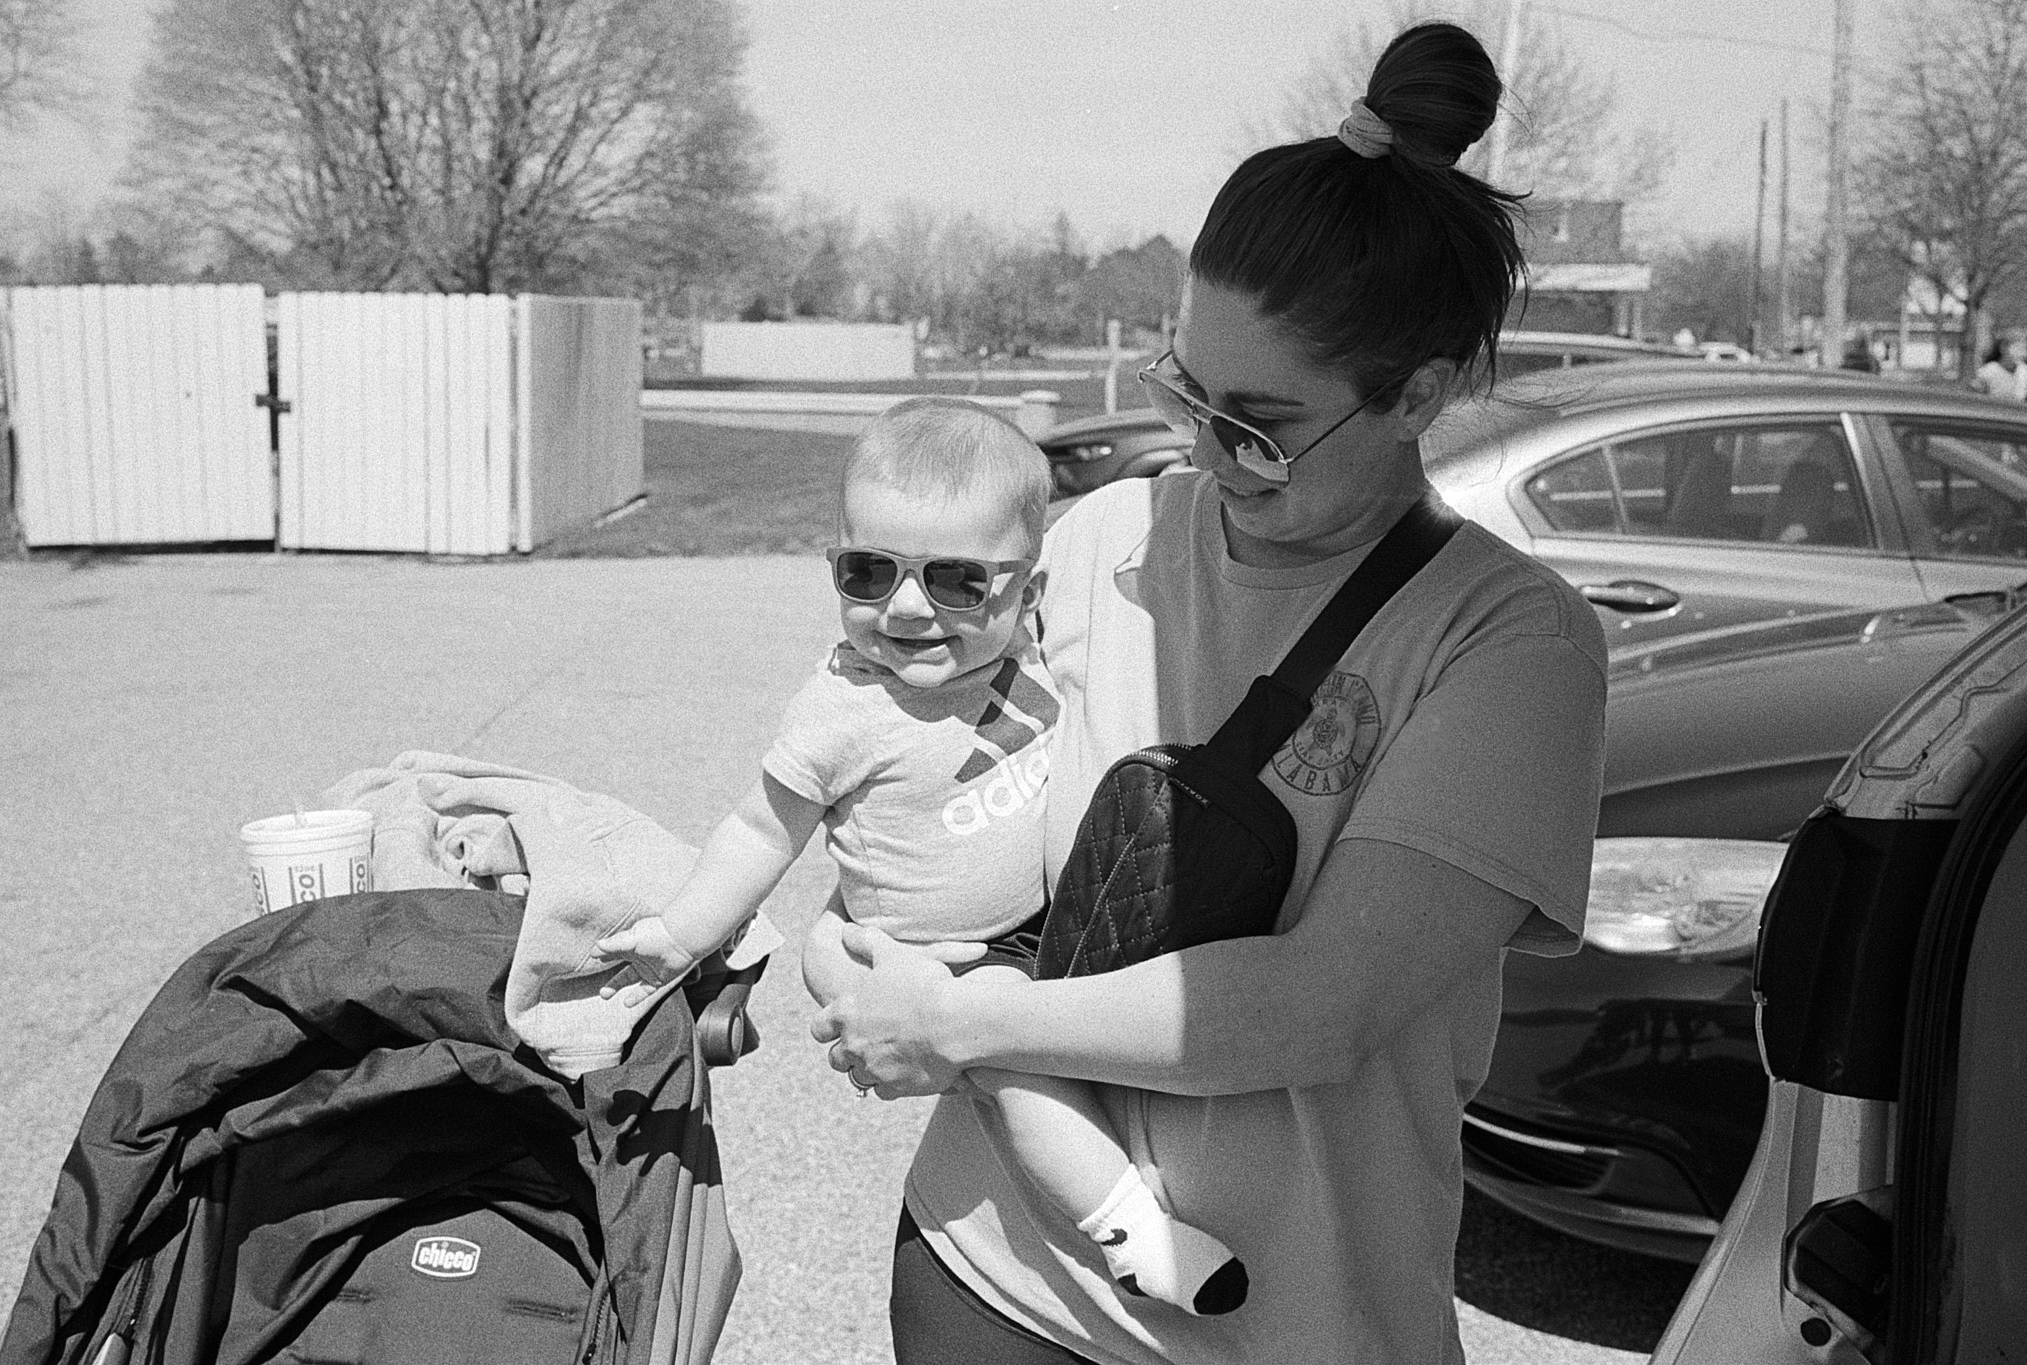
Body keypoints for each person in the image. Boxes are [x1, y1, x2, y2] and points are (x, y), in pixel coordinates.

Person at [808, 23, 1609, 1365]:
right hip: (991, 1274)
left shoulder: (1509, 644)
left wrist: (955, 1023)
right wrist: (847, 950)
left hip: (1291, 1327)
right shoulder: (1101, 539)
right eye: (1188, 386)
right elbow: (909, 797)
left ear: (1425, 392)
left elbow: (1322, 1004)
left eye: (1259, 425)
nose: (1205, 453)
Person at [597, 397, 1249, 1318]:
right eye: (868, 572)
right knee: (1018, 1072)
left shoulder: (1030, 646)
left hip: (1048, 918)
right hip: (936, 955)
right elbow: (759, 829)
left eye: (956, 582)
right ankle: (1133, 1235)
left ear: (1026, 590)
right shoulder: (841, 710)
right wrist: (683, 933)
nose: (905, 608)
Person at [1978, 336, 2027, 400]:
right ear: (2003, 348)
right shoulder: (1988, 370)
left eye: (2023, 348)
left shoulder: (2024, 371)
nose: (2020, 352)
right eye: (2017, 346)